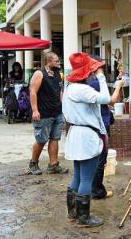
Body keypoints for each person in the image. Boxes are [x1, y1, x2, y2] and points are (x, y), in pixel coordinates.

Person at [62, 53, 125, 227]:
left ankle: (73, 213)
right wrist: (101, 76)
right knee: (87, 178)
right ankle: (84, 217)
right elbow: (106, 98)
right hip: (85, 136)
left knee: (78, 175)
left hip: (76, 133)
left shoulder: (69, 87)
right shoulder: (81, 89)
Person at [29, 51, 67, 175]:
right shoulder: (39, 74)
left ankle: (53, 164)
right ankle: (33, 163)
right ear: (48, 61)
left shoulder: (57, 73)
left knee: (55, 138)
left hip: (57, 111)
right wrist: (35, 110)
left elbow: (60, 91)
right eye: (56, 61)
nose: (58, 63)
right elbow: (33, 91)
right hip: (43, 113)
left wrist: (64, 107)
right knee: (41, 139)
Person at [87, 56, 116, 199]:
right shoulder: (96, 83)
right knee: (100, 158)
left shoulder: (84, 83)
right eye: (101, 67)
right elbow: (111, 101)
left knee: (93, 158)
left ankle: (92, 188)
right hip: (100, 124)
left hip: (91, 123)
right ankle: (97, 191)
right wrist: (120, 86)